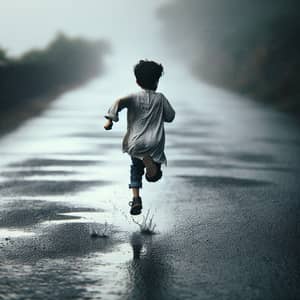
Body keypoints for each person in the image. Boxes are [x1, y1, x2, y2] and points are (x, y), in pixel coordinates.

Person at [104, 60, 175, 215]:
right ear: (157, 81)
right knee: (155, 176)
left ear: (137, 81)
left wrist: (110, 119)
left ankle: (136, 198)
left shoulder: (133, 97)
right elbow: (170, 117)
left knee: (136, 170)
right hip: (154, 143)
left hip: (136, 143)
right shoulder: (160, 98)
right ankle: (152, 169)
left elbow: (118, 102)